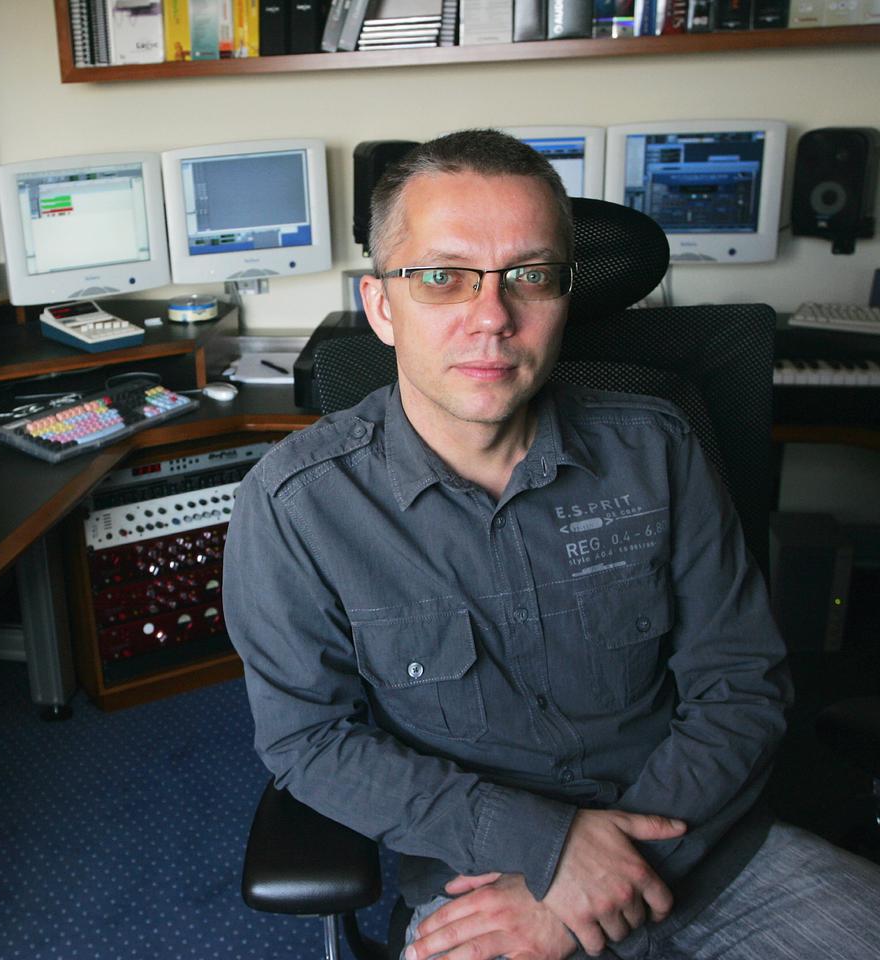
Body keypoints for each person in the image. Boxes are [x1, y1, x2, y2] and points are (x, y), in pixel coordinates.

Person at [222, 129, 880, 960]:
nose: (492, 317)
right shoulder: (294, 506)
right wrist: (549, 849)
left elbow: (742, 683)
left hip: (704, 843)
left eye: (530, 275)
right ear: (382, 306)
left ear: (566, 295)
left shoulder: (658, 446)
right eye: (443, 277)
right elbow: (310, 742)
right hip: (485, 882)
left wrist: (607, 875)